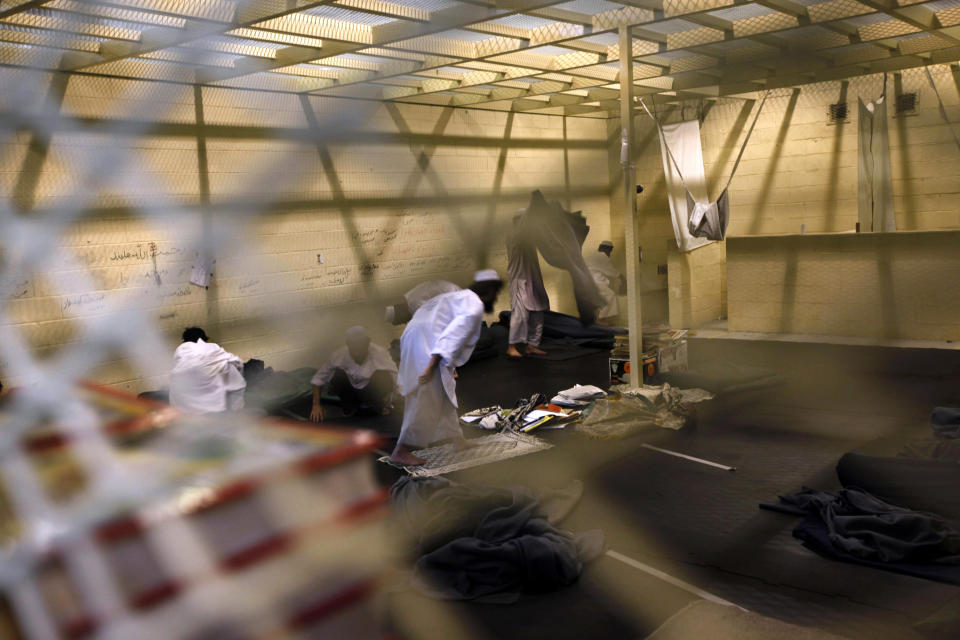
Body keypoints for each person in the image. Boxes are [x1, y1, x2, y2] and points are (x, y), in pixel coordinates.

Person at [390, 270, 503, 466]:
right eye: (496, 292)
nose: (496, 297)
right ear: (490, 291)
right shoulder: (474, 304)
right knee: (426, 396)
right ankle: (401, 450)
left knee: (444, 391)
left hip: (415, 335)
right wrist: (431, 366)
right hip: (426, 343)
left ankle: (457, 440)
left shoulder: (457, 295)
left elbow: (427, 314)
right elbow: (453, 335)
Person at [309, 325, 398, 422]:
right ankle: (350, 406)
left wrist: (390, 401)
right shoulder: (339, 355)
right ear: (348, 344)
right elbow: (318, 379)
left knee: (383, 376)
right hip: (351, 392)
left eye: (361, 347)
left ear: (367, 343)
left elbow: (395, 376)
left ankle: (378, 405)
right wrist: (316, 405)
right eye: (354, 347)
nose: (358, 353)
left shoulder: (379, 353)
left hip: (372, 391)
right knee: (338, 375)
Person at [169, 327, 247, 413]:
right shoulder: (212, 346)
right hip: (213, 386)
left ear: (184, 340)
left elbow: (178, 367)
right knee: (227, 369)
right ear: (204, 338)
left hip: (188, 390)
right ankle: (233, 408)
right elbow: (230, 360)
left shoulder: (181, 349)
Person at [506, 216, 548, 359]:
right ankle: (511, 347)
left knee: (538, 313)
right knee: (519, 315)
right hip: (520, 280)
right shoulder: (514, 236)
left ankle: (532, 345)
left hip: (533, 279)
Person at [584, 240, 626, 324]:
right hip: (594, 282)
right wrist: (622, 277)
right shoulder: (602, 256)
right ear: (607, 249)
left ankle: (595, 320)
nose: (610, 254)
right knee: (610, 295)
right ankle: (601, 319)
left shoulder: (592, 255)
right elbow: (610, 270)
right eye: (610, 251)